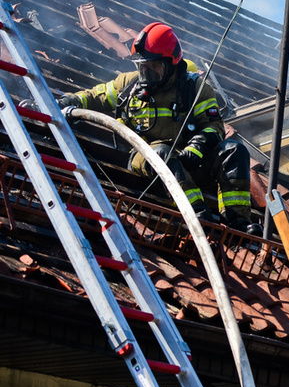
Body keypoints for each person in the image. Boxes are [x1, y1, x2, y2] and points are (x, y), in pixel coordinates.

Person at [52, 22, 261, 236]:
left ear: (172, 64)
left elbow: (214, 127)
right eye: (142, 66)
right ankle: (197, 214)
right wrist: (70, 100)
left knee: (235, 150)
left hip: (190, 160)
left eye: (154, 67)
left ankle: (238, 223)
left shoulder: (195, 89)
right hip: (146, 156)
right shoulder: (128, 85)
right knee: (161, 152)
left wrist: (195, 150)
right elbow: (97, 95)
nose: (146, 73)